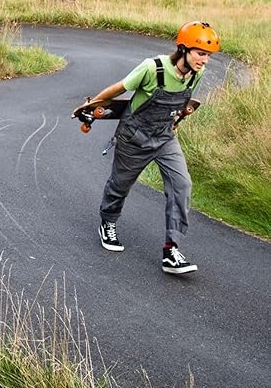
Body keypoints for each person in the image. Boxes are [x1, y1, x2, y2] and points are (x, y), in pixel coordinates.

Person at [85, 22, 220, 275]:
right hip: (134, 137)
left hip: (165, 137)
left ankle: (171, 249)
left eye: (208, 56)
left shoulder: (196, 73)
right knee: (120, 185)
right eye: (201, 53)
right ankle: (108, 221)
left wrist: (177, 119)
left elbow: (183, 100)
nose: (205, 61)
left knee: (182, 185)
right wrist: (91, 107)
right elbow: (119, 88)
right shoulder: (152, 68)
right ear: (183, 49)